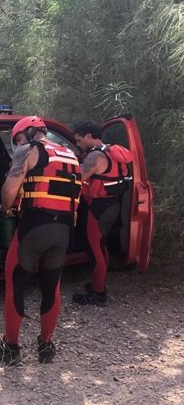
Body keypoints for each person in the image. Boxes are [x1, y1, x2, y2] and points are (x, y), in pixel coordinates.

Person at [0, 116, 82, 366]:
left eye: (18, 138)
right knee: (51, 287)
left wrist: (6, 208)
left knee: (15, 283)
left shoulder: (28, 150)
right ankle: (46, 345)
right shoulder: (70, 154)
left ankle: (11, 349)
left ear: (30, 133)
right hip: (63, 230)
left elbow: (10, 189)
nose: (17, 144)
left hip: (34, 227)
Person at [71, 120, 132, 306]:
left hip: (97, 207)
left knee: (93, 248)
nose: (78, 143)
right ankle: (99, 284)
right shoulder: (109, 152)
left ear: (89, 136)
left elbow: (77, 178)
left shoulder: (94, 157)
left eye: (79, 140)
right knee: (100, 244)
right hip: (110, 205)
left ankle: (98, 293)